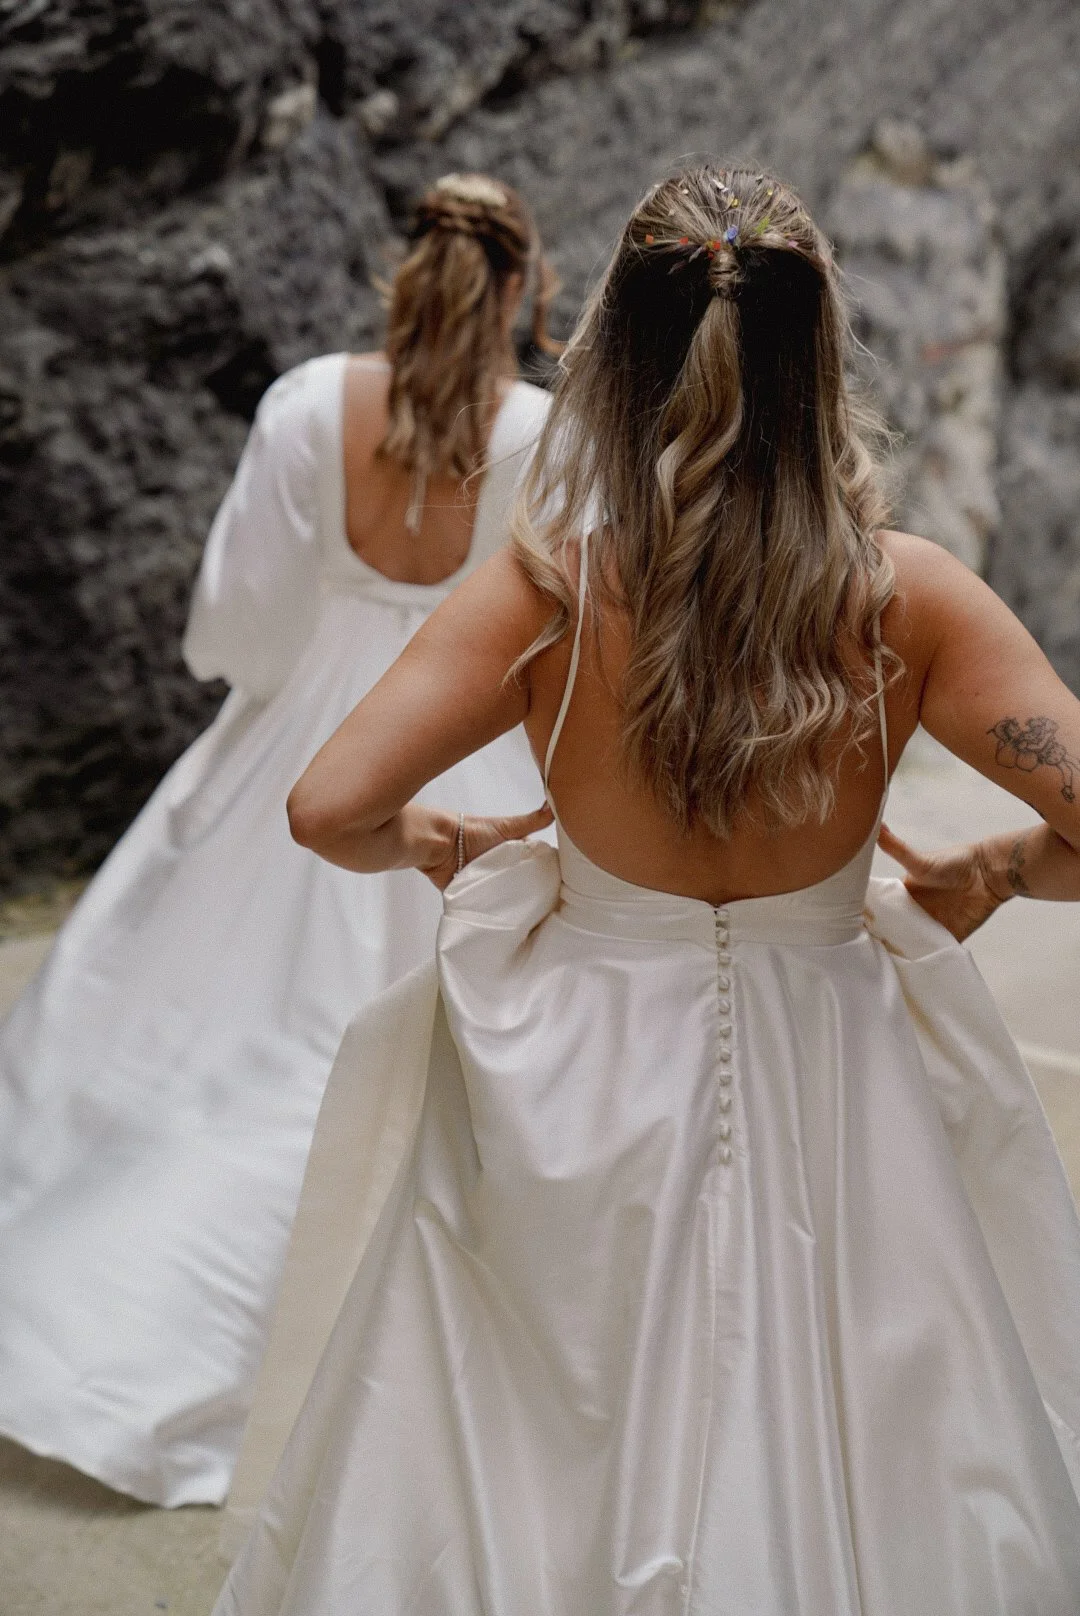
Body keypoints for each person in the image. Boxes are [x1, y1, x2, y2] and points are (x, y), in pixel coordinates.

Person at [215, 164, 1080, 1613]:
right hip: (839, 1065)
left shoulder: (550, 590)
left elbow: (326, 806)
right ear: (822, 360)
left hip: (585, 1078)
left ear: (611, 354)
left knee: (549, 1424)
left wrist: (451, 846)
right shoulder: (908, 596)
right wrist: (1000, 866)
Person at [0, 172, 558, 1508]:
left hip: (308, 742)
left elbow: (240, 622)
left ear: (400, 270)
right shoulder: (545, 432)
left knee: (190, 1024)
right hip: (464, 735)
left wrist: (287, 672)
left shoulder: (310, 402)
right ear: (527, 288)